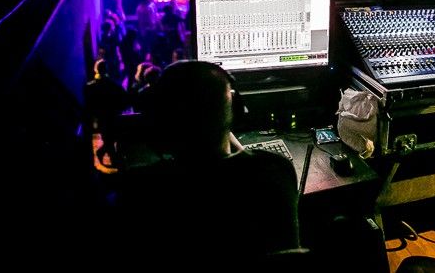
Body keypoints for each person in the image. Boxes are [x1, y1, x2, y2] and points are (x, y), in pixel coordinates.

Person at [115, 61, 300, 260]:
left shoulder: (138, 187)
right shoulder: (274, 170)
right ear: (236, 110)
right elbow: (243, 162)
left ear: (159, 120)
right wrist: (223, 121)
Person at [84, 58, 129, 169]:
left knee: (108, 137)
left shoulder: (90, 86)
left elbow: (88, 102)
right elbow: (123, 97)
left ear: (96, 69)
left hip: (100, 115)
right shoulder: (112, 84)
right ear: (106, 69)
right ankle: (113, 159)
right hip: (112, 113)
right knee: (112, 137)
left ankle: (107, 155)